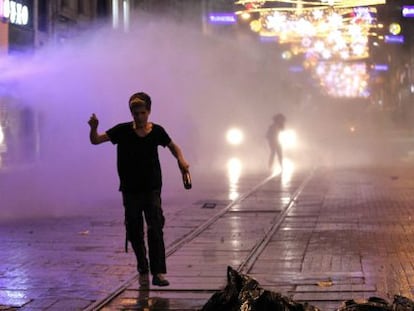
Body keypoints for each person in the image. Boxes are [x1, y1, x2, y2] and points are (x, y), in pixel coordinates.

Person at [88, 91, 190, 287]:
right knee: (134, 230)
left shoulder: (157, 131)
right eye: (136, 113)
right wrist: (93, 128)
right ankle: (142, 264)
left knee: (155, 228)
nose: (139, 117)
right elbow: (96, 140)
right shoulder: (122, 131)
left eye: (142, 113)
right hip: (130, 189)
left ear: (149, 112)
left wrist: (182, 160)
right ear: (131, 113)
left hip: (152, 187)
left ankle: (158, 272)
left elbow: (173, 147)